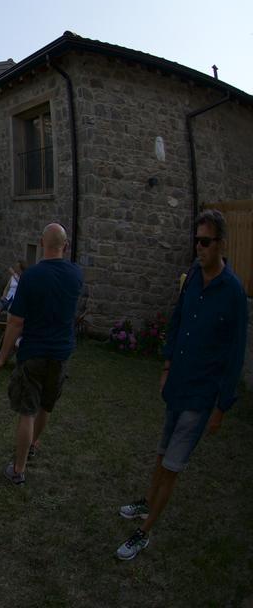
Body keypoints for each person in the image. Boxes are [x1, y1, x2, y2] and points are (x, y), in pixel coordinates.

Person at [114, 209, 247, 561]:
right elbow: (177, 321)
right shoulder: (192, 278)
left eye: (205, 242)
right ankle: (147, 501)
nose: (199, 248)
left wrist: (221, 406)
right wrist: (167, 364)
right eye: (196, 241)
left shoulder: (233, 292)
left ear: (221, 243)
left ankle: (144, 532)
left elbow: (235, 354)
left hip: (202, 394)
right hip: (178, 383)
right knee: (162, 452)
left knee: (173, 465)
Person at [0, 223, 83, 485]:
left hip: (35, 352)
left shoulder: (32, 276)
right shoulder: (76, 274)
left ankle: (18, 469)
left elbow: (16, 322)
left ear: (41, 244)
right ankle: (32, 446)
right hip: (61, 353)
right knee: (45, 405)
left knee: (27, 411)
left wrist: (2, 357)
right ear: (66, 245)